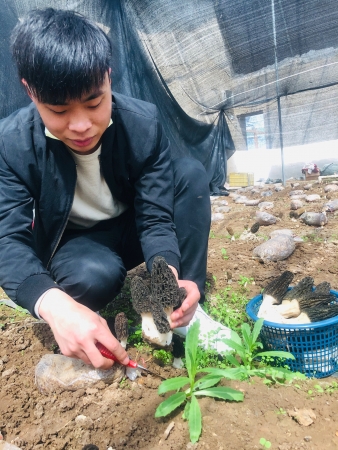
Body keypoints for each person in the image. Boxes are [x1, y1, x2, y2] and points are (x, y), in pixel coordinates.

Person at [0, 8, 230, 370]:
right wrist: (51, 302)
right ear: (30, 91)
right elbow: (7, 238)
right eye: (58, 111)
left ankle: (186, 308)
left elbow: (155, 219)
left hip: (132, 224)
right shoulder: (13, 145)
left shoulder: (142, 125)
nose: (81, 125)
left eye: (94, 103)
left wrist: (165, 274)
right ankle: (64, 296)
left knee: (188, 175)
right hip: (78, 244)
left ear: (106, 77)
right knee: (91, 279)